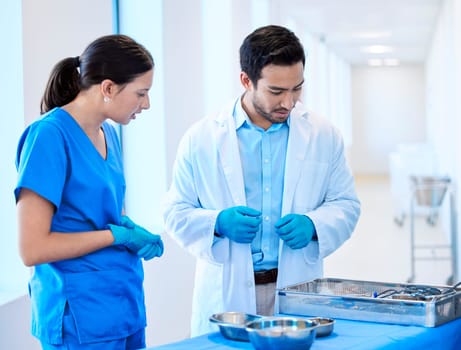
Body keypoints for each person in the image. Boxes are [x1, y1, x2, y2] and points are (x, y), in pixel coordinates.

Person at [162, 24, 361, 336]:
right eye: (276, 91)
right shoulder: (201, 138)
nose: (289, 102)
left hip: (296, 285)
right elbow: (174, 211)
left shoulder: (323, 135)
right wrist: (217, 222)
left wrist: (314, 224)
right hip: (229, 292)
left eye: (297, 88)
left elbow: (346, 204)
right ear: (246, 80)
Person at [15, 34, 164, 350]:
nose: (147, 104)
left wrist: (129, 228)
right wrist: (115, 236)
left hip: (123, 304)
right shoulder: (49, 137)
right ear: (109, 87)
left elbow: (96, 212)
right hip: (79, 318)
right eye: (142, 93)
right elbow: (32, 248)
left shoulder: (108, 133)